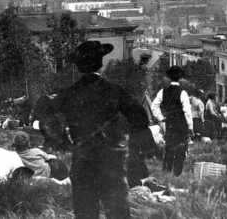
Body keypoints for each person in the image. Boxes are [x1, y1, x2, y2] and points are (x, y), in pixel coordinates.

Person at [48, 41, 151, 219]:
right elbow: (140, 116)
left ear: (79, 66)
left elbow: (45, 117)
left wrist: (64, 141)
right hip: (111, 161)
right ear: (101, 63)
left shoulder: (67, 93)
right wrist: (131, 142)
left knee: (85, 212)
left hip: (82, 160)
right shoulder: (114, 91)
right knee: (118, 212)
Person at [152, 66, 193, 176]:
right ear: (180, 77)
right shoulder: (183, 93)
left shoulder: (162, 91)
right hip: (181, 124)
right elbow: (187, 112)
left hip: (169, 123)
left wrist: (161, 118)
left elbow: (154, 107)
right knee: (180, 148)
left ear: (169, 77)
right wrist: (190, 127)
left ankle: (166, 172)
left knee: (169, 147)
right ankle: (177, 174)